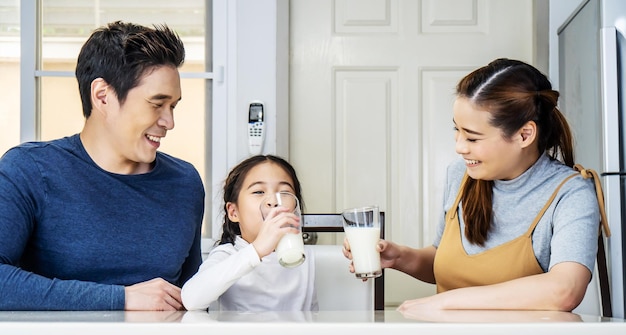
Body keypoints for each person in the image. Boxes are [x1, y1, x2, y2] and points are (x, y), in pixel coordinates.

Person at [344, 58, 609, 314]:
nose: (459, 147)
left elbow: (564, 290)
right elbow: (444, 262)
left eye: (472, 137)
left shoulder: (571, 194)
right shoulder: (461, 175)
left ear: (524, 135)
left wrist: (447, 302)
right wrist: (399, 257)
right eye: (457, 131)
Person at [0, 21, 205, 311]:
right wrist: (121, 298)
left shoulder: (185, 183)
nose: (169, 122)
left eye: (173, 106)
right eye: (157, 104)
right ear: (102, 96)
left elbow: (194, 295)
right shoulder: (30, 170)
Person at [181, 155, 318, 311]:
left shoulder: (304, 257)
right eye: (259, 191)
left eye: (284, 193)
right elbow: (191, 299)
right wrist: (257, 250)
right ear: (233, 212)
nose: (273, 201)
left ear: (296, 209)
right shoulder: (228, 254)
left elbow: (312, 317)